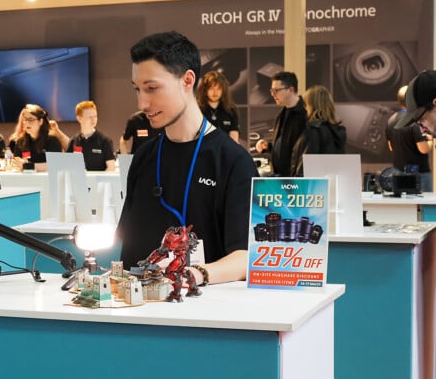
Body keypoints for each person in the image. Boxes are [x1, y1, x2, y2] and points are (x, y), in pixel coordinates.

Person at [118, 31, 258, 285]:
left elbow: (247, 256)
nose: (143, 102)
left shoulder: (233, 161)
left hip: (205, 312)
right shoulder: (144, 157)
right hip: (141, 310)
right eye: (137, 89)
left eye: (152, 88)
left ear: (187, 80)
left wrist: (195, 274)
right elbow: (128, 244)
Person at [254, 71, 307, 177]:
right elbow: (284, 145)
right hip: (279, 177)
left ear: (290, 90)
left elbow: (302, 150)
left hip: (296, 180)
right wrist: (268, 146)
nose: (273, 94)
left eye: (276, 90)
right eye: (271, 90)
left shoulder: (305, 114)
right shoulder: (280, 114)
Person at [289, 84, 346, 177]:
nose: (304, 108)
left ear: (312, 105)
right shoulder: (338, 132)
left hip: (311, 188)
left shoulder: (313, 131)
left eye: (305, 104)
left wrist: (295, 186)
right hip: (330, 186)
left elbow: (304, 167)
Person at [387, 82, 433, 192]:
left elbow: (391, 147)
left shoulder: (390, 120)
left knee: (404, 207)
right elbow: (423, 149)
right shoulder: (415, 121)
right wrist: (431, 139)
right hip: (419, 174)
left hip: (397, 172)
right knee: (423, 207)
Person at [9, 103, 64, 171]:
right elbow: (17, 164)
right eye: (25, 119)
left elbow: (56, 165)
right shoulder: (21, 141)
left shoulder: (51, 140)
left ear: (40, 121)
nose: (27, 123)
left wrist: (28, 166)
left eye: (31, 119)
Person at [68, 100, 116, 171]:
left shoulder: (105, 141)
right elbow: (68, 166)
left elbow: (111, 167)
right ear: (79, 118)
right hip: (79, 181)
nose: (93, 120)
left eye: (95, 116)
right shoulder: (74, 141)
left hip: (98, 181)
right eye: (90, 117)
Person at [196, 70, 240, 143]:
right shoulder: (196, 109)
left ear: (223, 90)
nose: (215, 92)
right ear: (205, 90)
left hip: (224, 150)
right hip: (203, 150)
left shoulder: (231, 109)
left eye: (219, 89)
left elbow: (234, 140)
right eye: (211, 88)